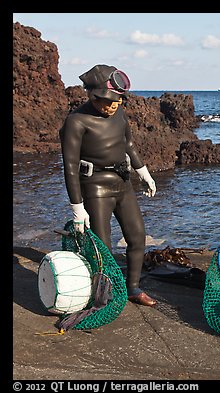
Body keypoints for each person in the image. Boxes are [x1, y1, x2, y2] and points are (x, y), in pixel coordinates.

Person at [59, 64, 158, 307]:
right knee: (102, 245)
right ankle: (105, 291)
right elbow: (70, 166)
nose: (112, 106)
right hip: (95, 187)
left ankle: (133, 287)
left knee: (137, 237)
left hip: (122, 183)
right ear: (91, 94)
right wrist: (77, 208)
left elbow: (129, 145)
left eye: (117, 101)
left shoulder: (119, 114)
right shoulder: (77, 121)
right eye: (106, 101)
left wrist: (143, 171)